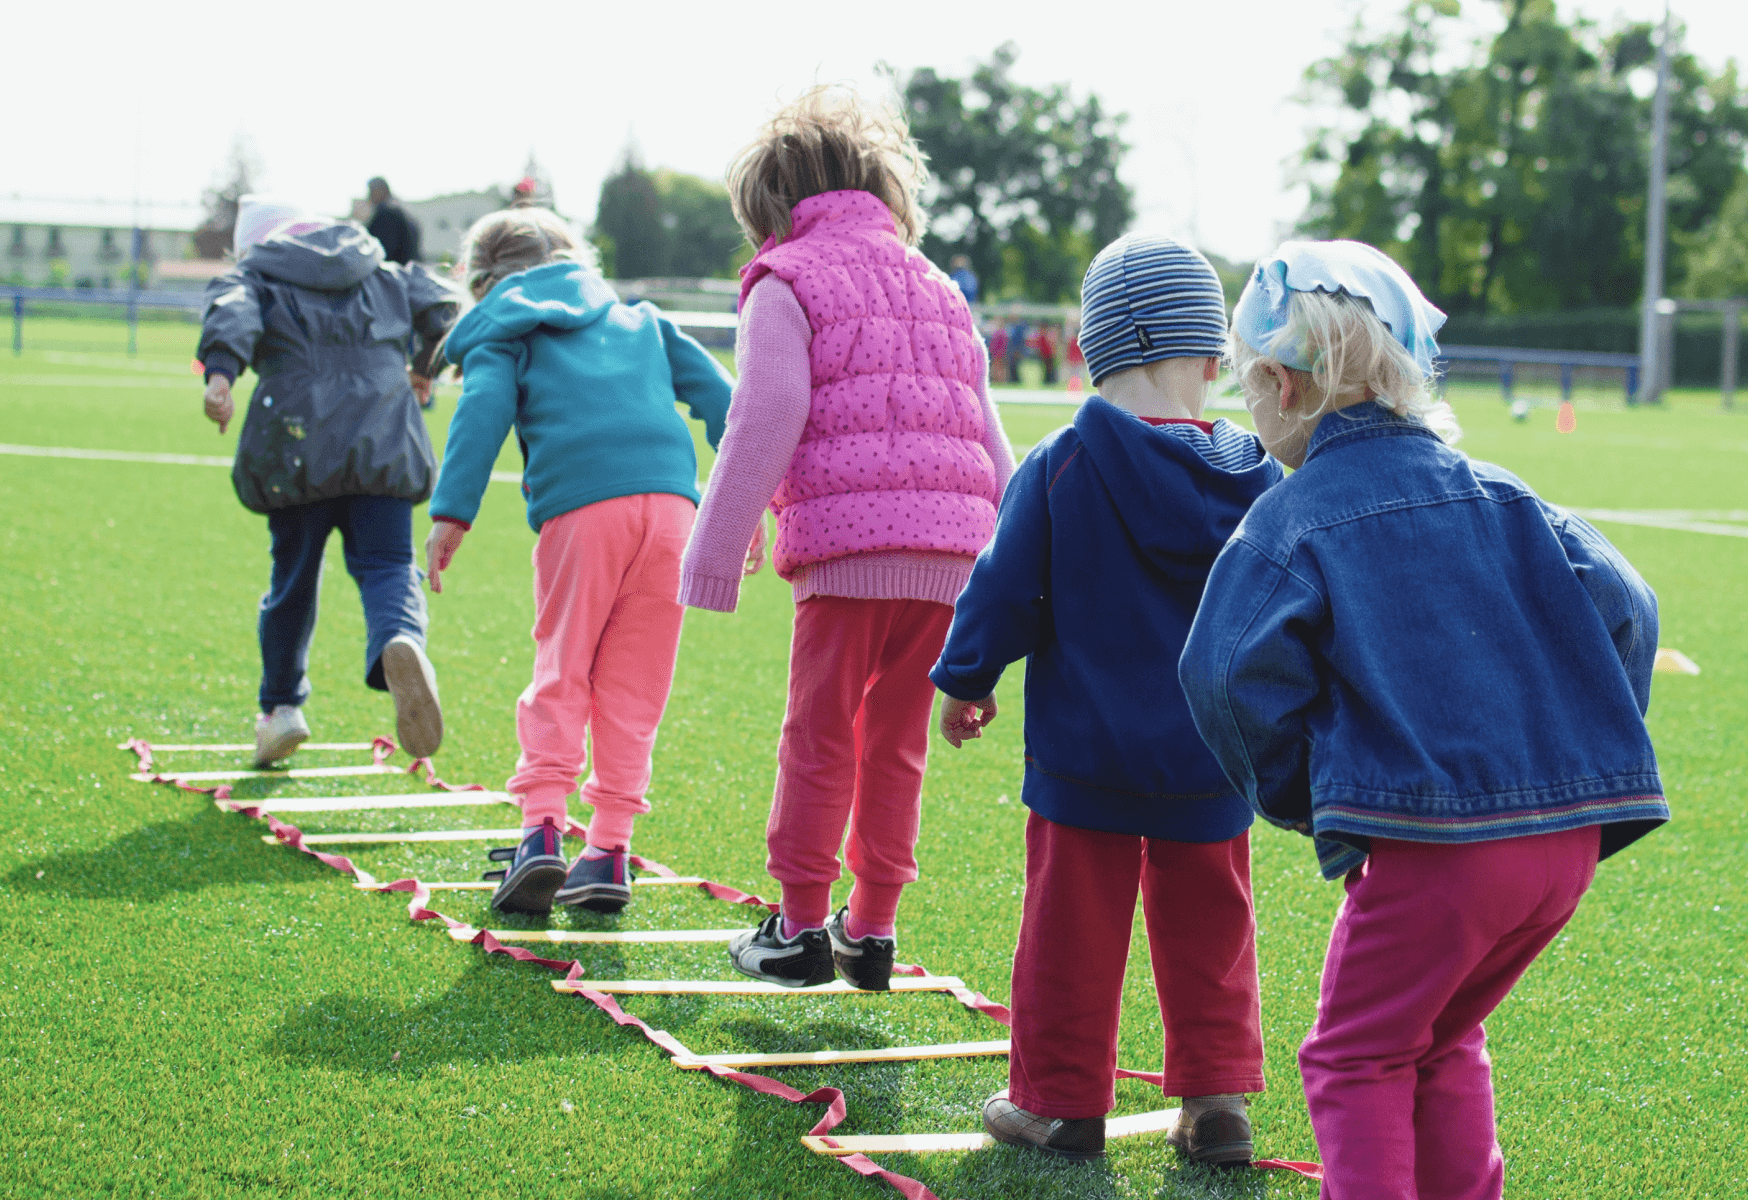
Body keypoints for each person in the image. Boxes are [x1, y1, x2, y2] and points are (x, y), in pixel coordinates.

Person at [1179, 240, 1668, 1199]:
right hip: (1563, 845)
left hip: (1434, 851)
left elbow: (1224, 672)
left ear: (1281, 384)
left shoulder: (1291, 517)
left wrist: (1307, 798)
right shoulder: (1508, 492)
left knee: (1354, 1058)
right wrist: (1578, 735)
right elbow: (1630, 603)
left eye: (1248, 389)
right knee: (1442, 1037)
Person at [932, 234, 1283, 1164]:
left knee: (1069, 932)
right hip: (1214, 756)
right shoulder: (1261, 476)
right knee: (1213, 927)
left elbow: (1003, 588)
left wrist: (966, 679)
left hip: (1084, 754)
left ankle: (1059, 1103)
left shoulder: (1061, 462)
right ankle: (1217, 1105)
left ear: (1088, 351)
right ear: (1213, 358)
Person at [680, 86, 1014, 990]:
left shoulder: (785, 280)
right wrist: (1016, 577)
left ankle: (795, 928)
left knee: (819, 734)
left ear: (771, 209)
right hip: (953, 560)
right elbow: (990, 435)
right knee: (895, 741)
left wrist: (716, 546)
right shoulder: (940, 286)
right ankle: (870, 928)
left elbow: (771, 408)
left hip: (848, 555)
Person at [422, 207, 733, 916]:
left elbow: (484, 409)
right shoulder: (643, 321)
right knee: (635, 685)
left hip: (583, 508)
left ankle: (540, 835)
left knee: (563, 667)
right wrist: (750, 499)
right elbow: (727, 401)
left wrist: (452, 512)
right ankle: (609, 851)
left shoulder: (506, 328)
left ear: (482, 282)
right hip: (673, 512)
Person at [197, 197, 457, 768]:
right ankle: (401, 639)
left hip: (296, 444)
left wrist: (220, 376)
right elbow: (441, 306)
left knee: (293, 578)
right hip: (385, 436)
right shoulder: (378, 269)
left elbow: (233, 312)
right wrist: (423, 367)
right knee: (389, 565)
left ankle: (281, 708)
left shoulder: (258, 276)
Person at [365, 177, 421, 266]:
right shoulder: (401, 211)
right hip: (410, 271)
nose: (369, 196)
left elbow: (383, 251)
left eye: (372, 191)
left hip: (395, 273)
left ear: (382, 191)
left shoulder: (386, 214)